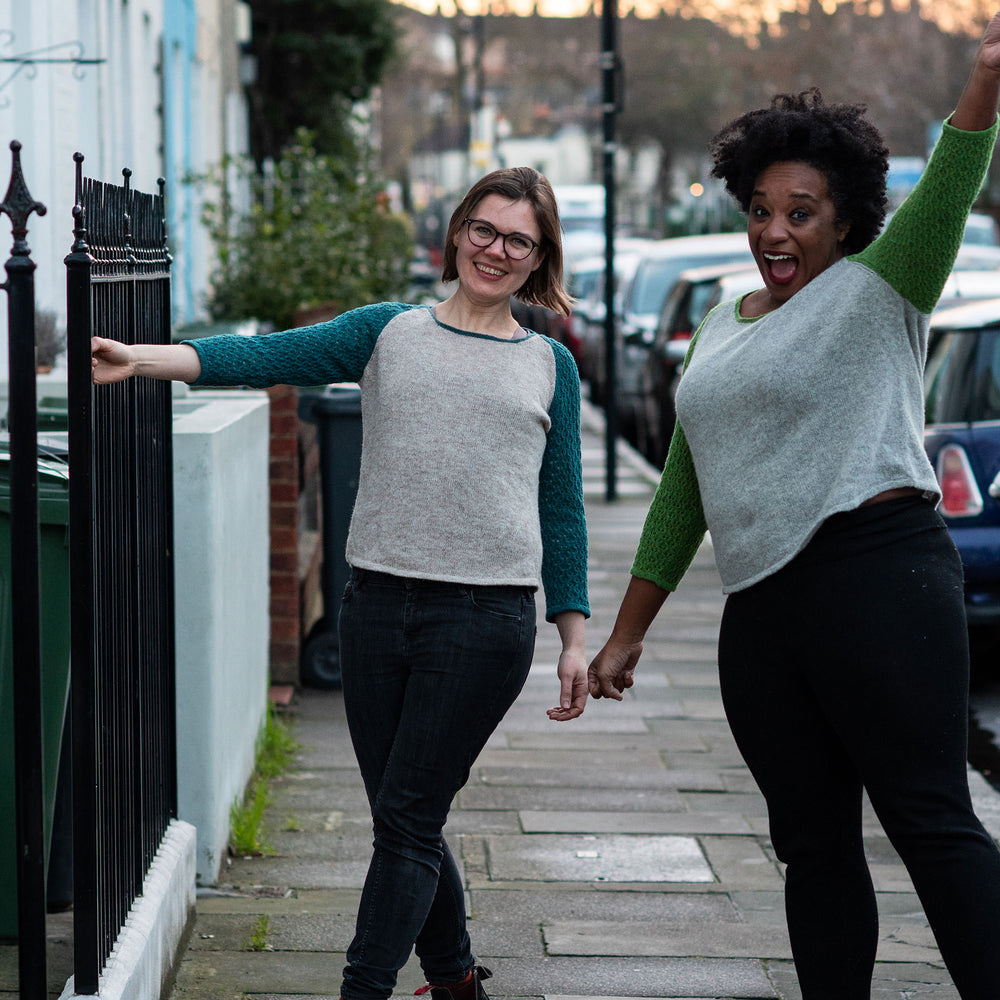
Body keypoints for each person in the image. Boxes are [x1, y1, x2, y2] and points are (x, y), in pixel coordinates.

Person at [92, 167, 591, 1000]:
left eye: (519, 241)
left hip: (484, 618)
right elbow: (263, 356)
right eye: (485, 230)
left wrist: (574, 637)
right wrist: (141, 357)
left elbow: (563, 507)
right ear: (457, 231)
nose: (496, 250)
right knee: (407, 819)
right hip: (376, 611)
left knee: (405, 823)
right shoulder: (388, 332)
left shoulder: (550, 365)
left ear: (538, 260)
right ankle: (456, 979)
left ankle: (362, 990)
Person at [588, 15, 1000, 1000]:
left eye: (802, 211)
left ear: (845, 219)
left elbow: (949, 182)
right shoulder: (722, 328)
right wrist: (624, 636)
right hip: (764, 614)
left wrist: (985, 75)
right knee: (811, 846)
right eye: (762, 209)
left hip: (878, 580)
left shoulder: (880, 288)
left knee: (929, 821)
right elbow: (685, 488)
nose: (775, 231)